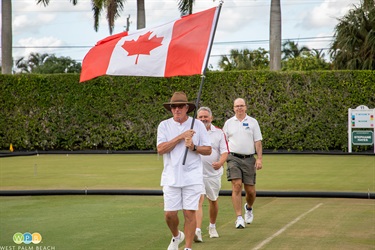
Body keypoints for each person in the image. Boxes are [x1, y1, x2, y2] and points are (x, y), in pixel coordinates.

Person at [157, 92, 212, 250]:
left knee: (189, 213)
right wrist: (180, 137)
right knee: (169, 214)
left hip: (192, 176)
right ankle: (176, 236)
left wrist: (193, 147)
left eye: (180, 106)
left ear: (187, 108)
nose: (177, 109)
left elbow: (208, 150)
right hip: (171, 176)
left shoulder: (198, 125)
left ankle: (188, 247)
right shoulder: (164, 125)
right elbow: (160, 149)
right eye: (174, 106)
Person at [222, 98, 263, 229]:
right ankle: (239, 218)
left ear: (246, 107)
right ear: (233, 108)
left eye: (241, 106)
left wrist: (259, 159)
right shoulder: (228, 123)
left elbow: (258, 142)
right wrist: (222, 158)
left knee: (250, 191)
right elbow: (223, 142)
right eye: (237, 106)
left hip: (249, 158)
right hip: (233, 158)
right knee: (237, 185)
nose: (239, 108)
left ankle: (249, 207)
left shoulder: (253, 122)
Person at [194, 107, 229, 242]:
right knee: (198, 200)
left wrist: (220, 162)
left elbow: (225, 151)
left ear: (211, 118)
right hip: (197, 173)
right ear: (197, 118)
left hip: (213, 174)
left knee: (213, 201)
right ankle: (197, 231)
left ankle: (212, 226)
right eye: (200, 117)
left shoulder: (219, 133)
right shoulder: (193, 132)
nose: (203, 119)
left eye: (205, 117)